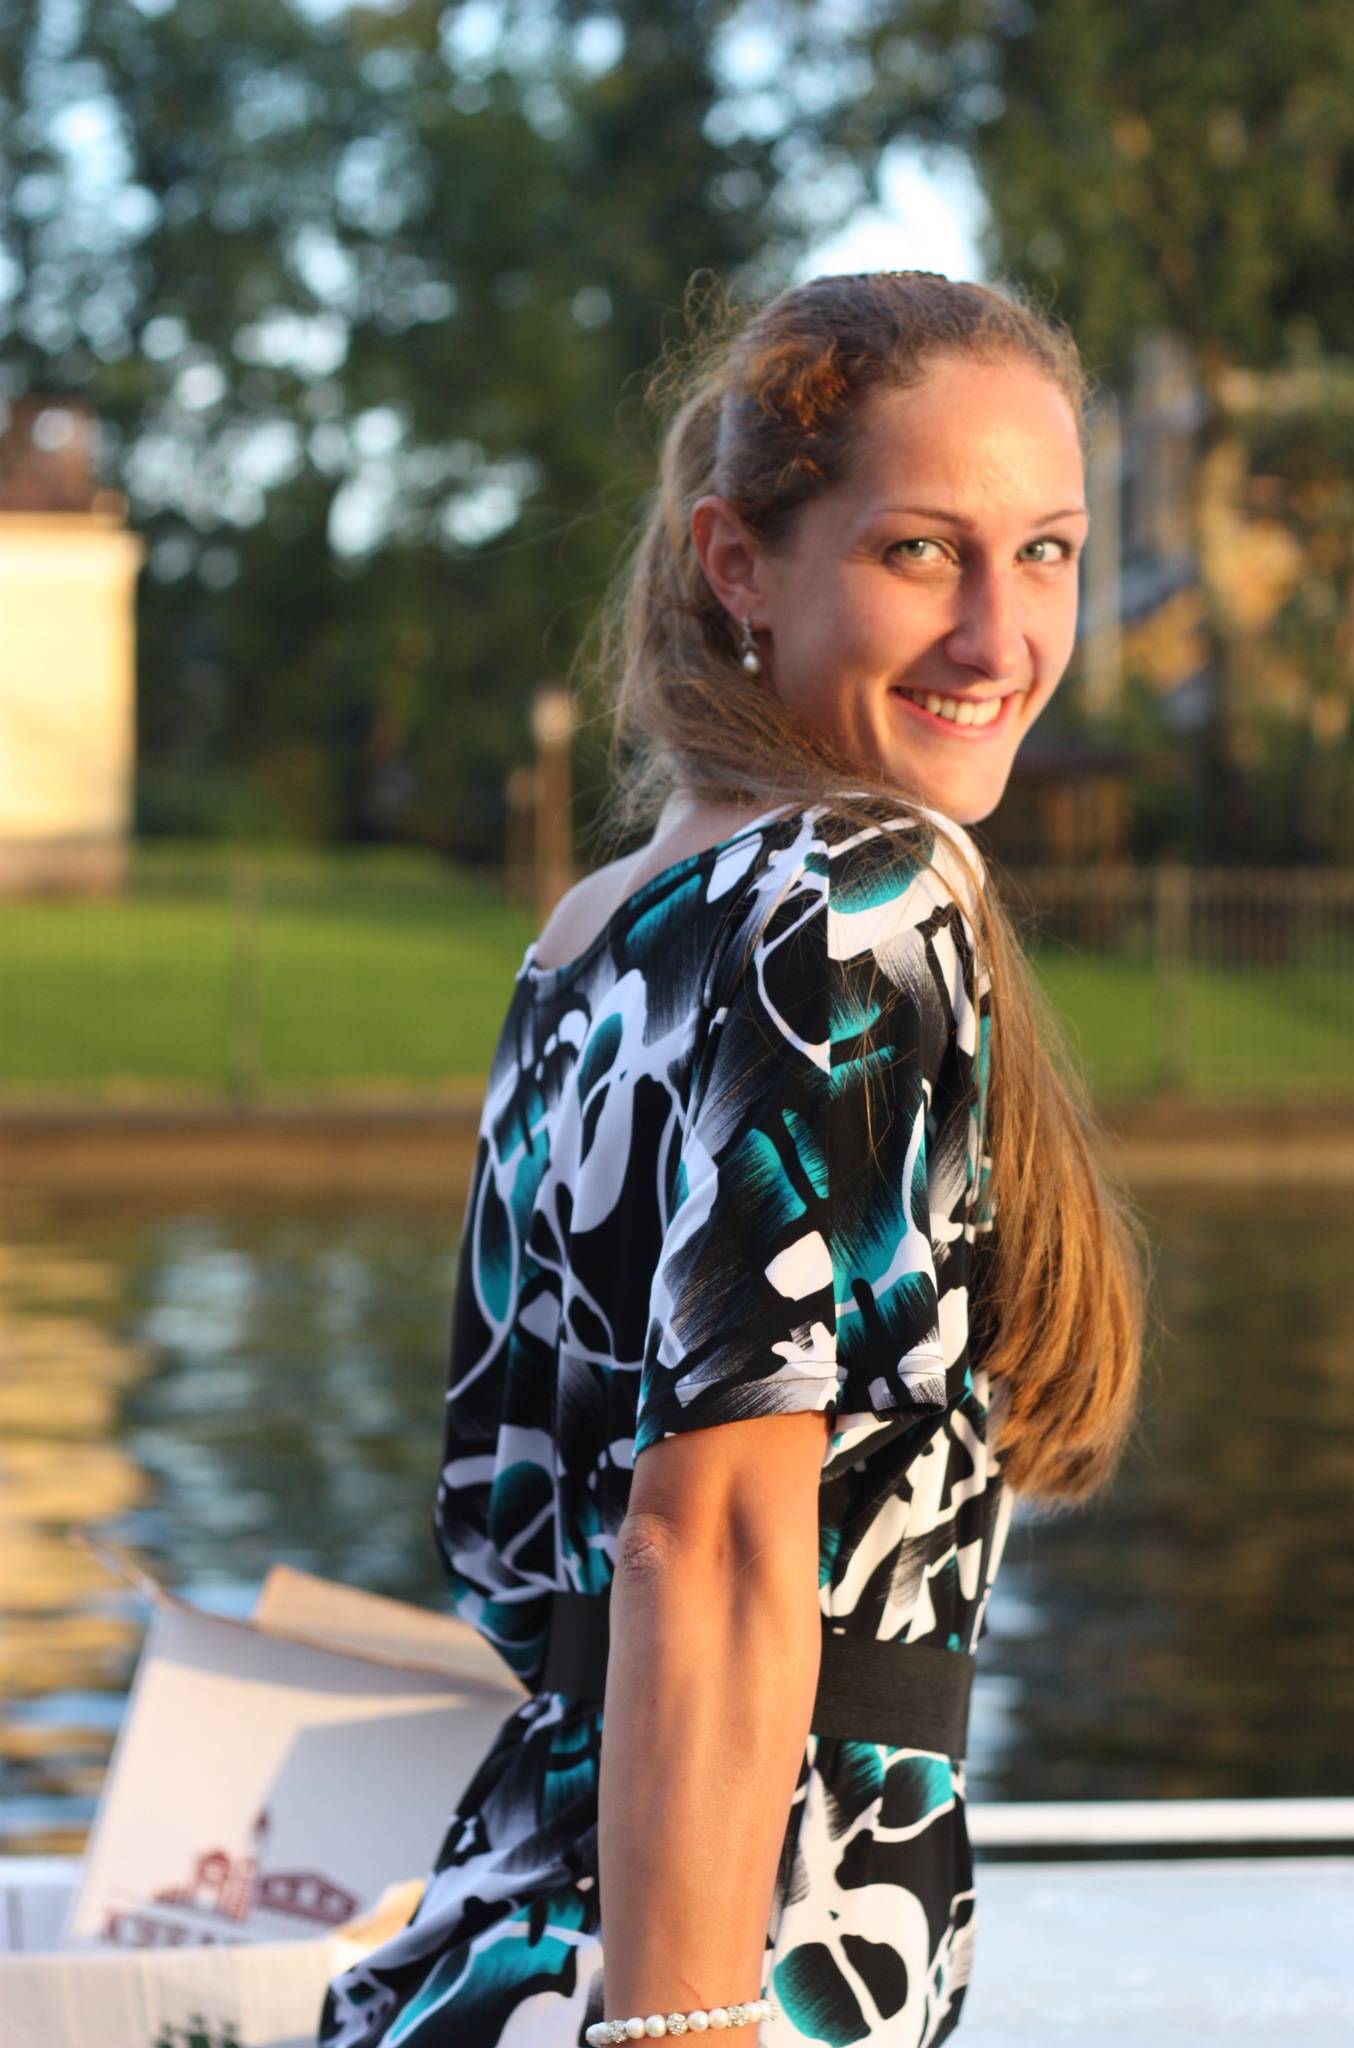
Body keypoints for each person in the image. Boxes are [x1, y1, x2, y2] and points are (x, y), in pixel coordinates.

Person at [320, 272, 1143, 2048]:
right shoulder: (858, 899)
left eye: (1047, 554)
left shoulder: (596, 926)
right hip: (746, 1941)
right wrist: (681, 2029)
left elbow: (533, 1515)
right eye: (920, 552)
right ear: (738, 565)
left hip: (515, 1926)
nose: (999, 636)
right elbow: (702, 1545)